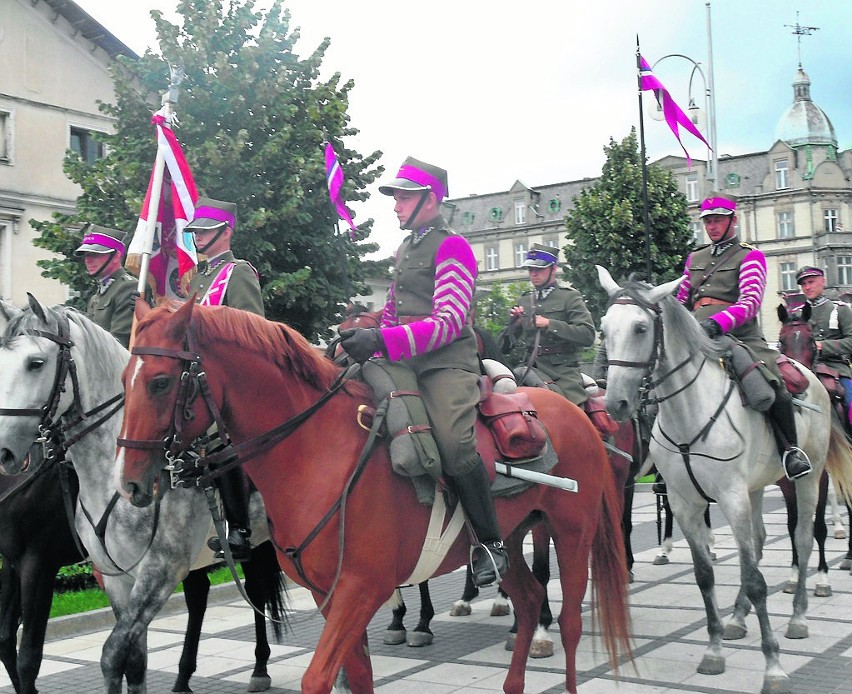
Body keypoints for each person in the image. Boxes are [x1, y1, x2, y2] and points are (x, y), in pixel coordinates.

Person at [338, 156, 508, 587]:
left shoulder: (452, 247)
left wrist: (384, 341)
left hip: (446, 363)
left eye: (404, 196)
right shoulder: (406, 249)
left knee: (453, 443)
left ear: (430, 200)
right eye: (395, 197)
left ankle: (490, 542)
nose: (395, 204)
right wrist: (365, 338)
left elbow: (450, 320)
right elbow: (394, 313)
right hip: (405, 359)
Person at [677, 192, 811, 480]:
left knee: (772, 386)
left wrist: (717, 323)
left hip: (738, 335)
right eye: (708, 221)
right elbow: (681, 299)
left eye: (718, 220)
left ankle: (791, 450)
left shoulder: (750, 255)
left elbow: (750, 302)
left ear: (732, 221)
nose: (712, 226)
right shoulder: (695, 257)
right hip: (694, 335)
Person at [186, 197, 263, 561]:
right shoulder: (197, 278)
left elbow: (251, 331)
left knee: (221, 443)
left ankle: (241, 530)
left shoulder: (238, 272)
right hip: (196, 379)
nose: (198, 237)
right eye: (195, 231)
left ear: (225, 231)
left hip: (229, 379)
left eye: (204, 231)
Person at [502, 244, 596, 406]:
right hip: (530, 368)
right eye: (530, 270)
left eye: (539, 269)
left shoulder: (569, 297)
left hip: (563, 372)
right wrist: (514, 326)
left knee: (573, 414)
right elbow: (502, 349)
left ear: (553, 269)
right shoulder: (524, 300)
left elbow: (587, 335)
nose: (533, 274)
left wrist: (549, 324)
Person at [795, 265, 852, 423]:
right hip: (805, 369)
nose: (807, 287)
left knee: (850, 404)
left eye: (811, 282)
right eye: (804, 284)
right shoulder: (798, 314)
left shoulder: (840, 310)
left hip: (836, 369)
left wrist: (822, 346)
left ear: (823, 282)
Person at [74, 224, 137, 349]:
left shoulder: (128, 287)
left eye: (95, 254)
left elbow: (119, 343)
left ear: (116, 256)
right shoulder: (97, 295)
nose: (87, 260)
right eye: (86, 254)